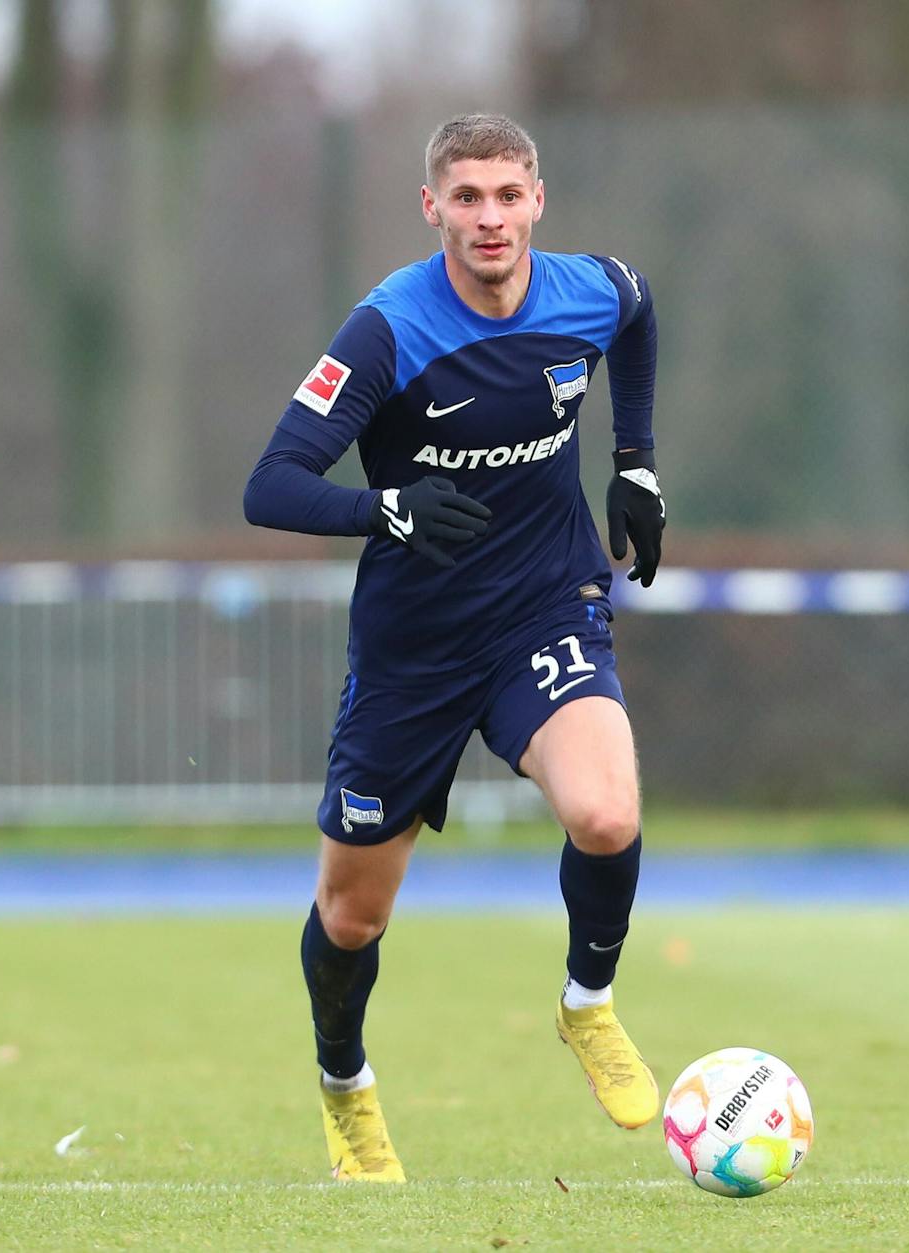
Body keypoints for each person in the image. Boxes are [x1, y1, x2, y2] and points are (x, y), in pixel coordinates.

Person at [243, 113, 665, 1183]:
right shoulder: (387, 328)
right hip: (413, 648)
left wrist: (636, 460)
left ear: (537, 200)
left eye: (506, 195)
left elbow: (639, 314)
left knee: (607, 813)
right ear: (431, 208)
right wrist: (385, 508)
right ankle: (344, 1086)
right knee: (350, 915)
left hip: (542, 606)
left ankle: (588, 1004)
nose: (489, 218)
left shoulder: (588, 288)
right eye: (465, 198)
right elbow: (271, 484)